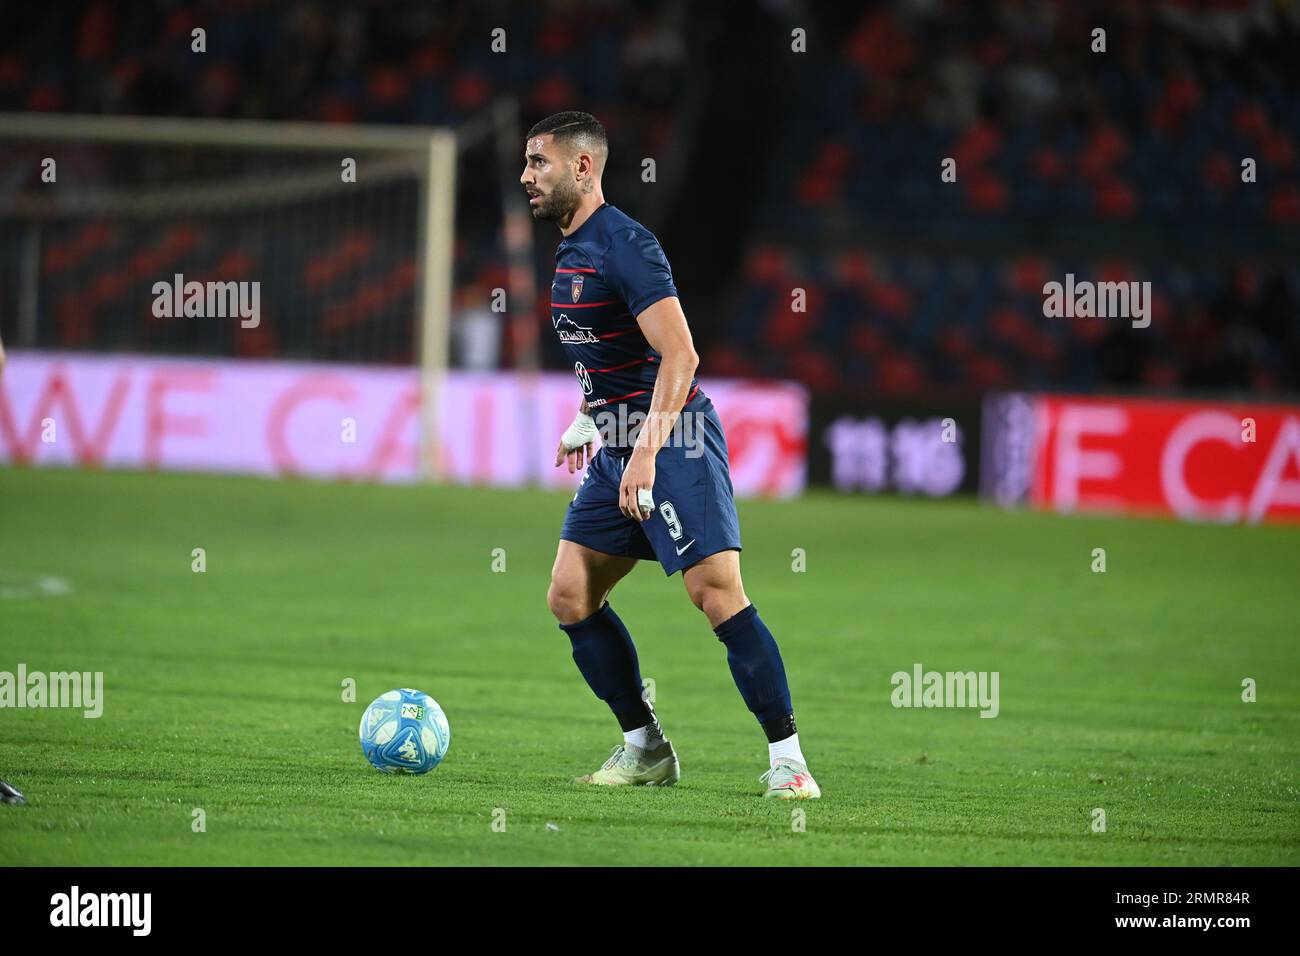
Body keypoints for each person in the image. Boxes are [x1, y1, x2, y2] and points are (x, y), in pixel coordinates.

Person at [521, 111, 820, 798]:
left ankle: (790, 763)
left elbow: (679, 354)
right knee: (570, 595)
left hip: (672, 440)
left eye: (539, 162)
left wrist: (646, 451)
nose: (526, 176)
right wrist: (588, 416)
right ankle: (645, 748)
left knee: (714, 594)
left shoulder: (626, 244)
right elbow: (616, 354)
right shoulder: (570, 250)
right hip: (620, 443)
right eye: (527, 163)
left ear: (584, 167)